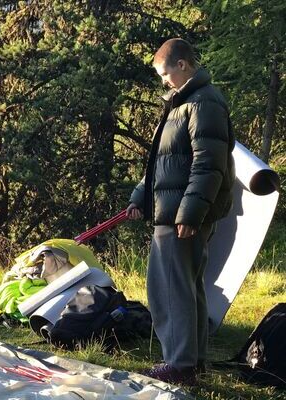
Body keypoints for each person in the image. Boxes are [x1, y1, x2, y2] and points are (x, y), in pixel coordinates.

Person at [127, 38, 235, 385]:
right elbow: (164, 164)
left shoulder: (204, 103)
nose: (163, 81)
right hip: (172, 210)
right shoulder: (182, 103)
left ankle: (179, 365)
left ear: (183, 65)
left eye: (164, 73)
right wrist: (140, 197)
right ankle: (193, 362)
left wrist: (189, 214)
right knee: (188, 287)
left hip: (180, 217)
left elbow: (208, 165)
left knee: (170, 290)